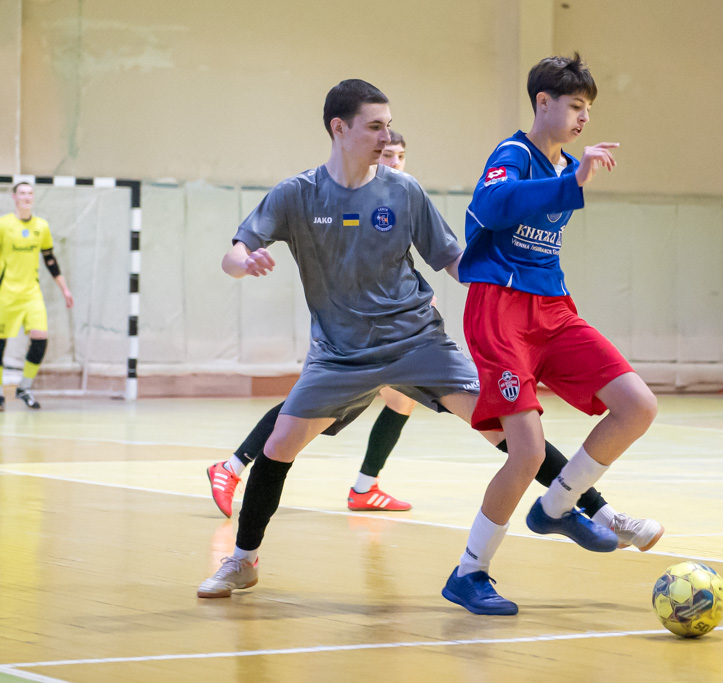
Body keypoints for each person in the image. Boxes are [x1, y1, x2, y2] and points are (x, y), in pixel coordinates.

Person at [197, 80, 659, 600]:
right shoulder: (297, 194)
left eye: (389, 125)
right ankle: (242, 561)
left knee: (513, 437)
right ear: (339, 128)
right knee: (279, 445)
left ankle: (596, 512)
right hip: (341, 354)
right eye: (375, 126)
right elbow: (234, 254)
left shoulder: (403, 190)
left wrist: (508, 281)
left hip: (419, 344)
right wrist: (246, 261)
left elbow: (454, 260)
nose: (386, 136)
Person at [442, 53, 661, 616]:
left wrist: (571, 178)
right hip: (499, 308)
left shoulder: (566, 165)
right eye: (576, 105)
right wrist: (571, 183)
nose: (585, 117)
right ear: (544, 103)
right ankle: (469, 573)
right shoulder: (513, 154)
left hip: (552, 308)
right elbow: (490, 206)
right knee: (527, 451)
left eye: (589, 108)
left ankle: (558, 506)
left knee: (638, 405)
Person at [206, 130, 423, 515]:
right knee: (309, 407)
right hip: (346, 327)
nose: (394, 163)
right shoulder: (332, 196)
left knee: (401, 398)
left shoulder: (399, 199)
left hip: (383, 327)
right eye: (388, 154)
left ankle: (364, 487)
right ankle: (232, 467)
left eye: (400, 156)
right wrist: (245, 260)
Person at [0, 182, 74, 411]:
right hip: (6, 293)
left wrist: (64, 289)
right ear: (14, 197)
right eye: (22, 193)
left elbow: (49, 259)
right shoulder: (3, 224)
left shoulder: (41, 226)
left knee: (40, 339)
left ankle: (24, 387)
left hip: (31, 293)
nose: (26, 197)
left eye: (30, 193)